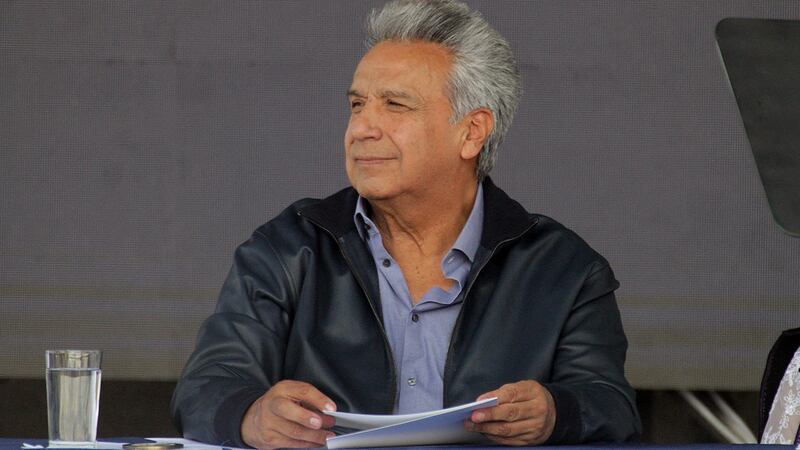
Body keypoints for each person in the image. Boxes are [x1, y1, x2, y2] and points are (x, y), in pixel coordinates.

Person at [171, 0, 641, 448]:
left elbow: (612, 405)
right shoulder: (290, 247)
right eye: (357, 105)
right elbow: (206, 387)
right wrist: (252, 416)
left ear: (472, 131)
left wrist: (556, 414)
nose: (361, 128)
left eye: (394, 105)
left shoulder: (563, 268)